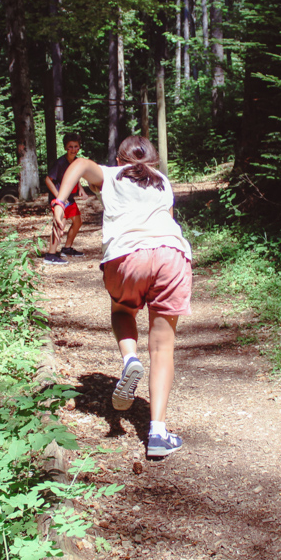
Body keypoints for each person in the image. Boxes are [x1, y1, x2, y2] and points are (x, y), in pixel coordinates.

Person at [51, 136, 192, 458]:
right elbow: (168, 219)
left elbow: (81, 165)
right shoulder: (163, 183)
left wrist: (60, 201)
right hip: (171, 254)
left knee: (123, 311)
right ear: (153, 161)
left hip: (125, 258)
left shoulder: (111, 176)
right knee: (163, 347)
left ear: (119, 159)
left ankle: (130, 359)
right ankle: (157, 433)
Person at [44, 133, 87, 265]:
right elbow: (48, 179)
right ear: (65, 148)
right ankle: (50, 255)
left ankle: (67, 248)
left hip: (69, 198)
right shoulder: (60, 162)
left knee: (77, 221)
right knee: (59, 224)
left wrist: (80, 188)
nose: (73, 149)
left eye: (76, 146)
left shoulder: (76, 161)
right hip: (59, 198)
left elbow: (74, 176)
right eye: (70, 147)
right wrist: (59, 197)